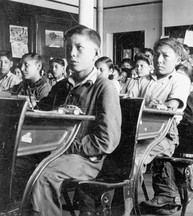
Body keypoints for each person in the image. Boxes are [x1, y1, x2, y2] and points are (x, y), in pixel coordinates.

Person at [18, 25, 121, 216]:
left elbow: (107, 140)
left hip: (86, 159)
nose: (72, 54)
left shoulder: (104, 87)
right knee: (16, 165)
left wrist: (64, 145)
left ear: (96, 53)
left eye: (79, 48)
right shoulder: (61, 86)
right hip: (55, 152)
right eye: (68, 49)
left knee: (44, 175)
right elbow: (40, 113)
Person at [128, 37, 191, 215]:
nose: (159, 59)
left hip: (164, 133)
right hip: (137, 130)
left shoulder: (180, 79)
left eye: (165, 56)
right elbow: (128, 102)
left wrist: (159, 105)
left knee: (133, 159)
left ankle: (125, 209)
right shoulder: (143, 79)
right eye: (156, 55)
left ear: (178, 60)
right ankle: (116, 202)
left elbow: (172, 105)